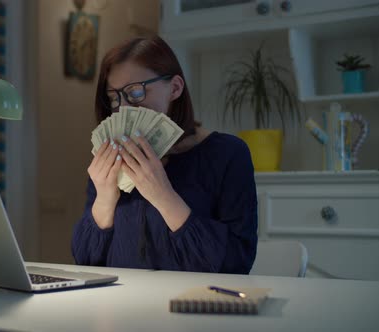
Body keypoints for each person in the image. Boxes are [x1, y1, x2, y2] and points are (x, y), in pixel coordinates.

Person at [71, 35, 258, 273]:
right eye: (114, 97)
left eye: (136, 92)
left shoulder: (229, 154)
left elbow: (237, 263)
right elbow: (85, 262)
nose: (125, 109)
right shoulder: (109, 155)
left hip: (194, 304)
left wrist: (163, 196)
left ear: (175, 87)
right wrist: (105, 198)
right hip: (118, 304)